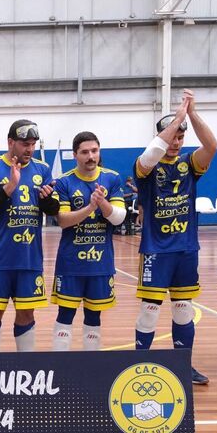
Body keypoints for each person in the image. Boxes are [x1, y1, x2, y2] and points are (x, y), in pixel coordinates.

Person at [132, 91, 217, 385]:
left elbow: (212, 146)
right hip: (156, 249)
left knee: (183, 310)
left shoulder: (190, 164)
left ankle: (183, 365)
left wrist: (191, 115)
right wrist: (176, 119)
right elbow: (150, 155)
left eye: (181, 137)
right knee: (149, 310)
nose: (176, 142)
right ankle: (139, 362)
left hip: (185, 249)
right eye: (172, 136)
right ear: (161, 136)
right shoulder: (146, 165)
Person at [0, 119, 59, 352]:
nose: (29, 149)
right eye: (24, 144)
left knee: (26, 312)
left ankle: (26, 367)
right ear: (11, 142)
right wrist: (9, 187)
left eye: (33, 144)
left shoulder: (42, 169)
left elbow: (53, 211)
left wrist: (47, 200)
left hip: (29, 258)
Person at [50, 131, 126, 352]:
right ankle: (60, 364)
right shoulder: (64, 182)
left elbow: (118, 218)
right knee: (65, 313)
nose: (90, 156)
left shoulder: (111, 178)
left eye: (94, 151)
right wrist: (90, 207)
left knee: (94, 315)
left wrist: (102, 203)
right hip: (71, 263)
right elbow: (63, 221)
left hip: (100, 263)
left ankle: (90, 364)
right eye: (85, 152)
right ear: (75, 155)